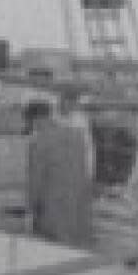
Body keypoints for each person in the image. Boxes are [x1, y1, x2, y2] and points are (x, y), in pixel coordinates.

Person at [25, 100, 93, 245]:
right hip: (79, 203)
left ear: (36, 120)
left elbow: (35, 181)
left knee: (54, 250)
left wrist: (30, 210)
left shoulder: (39, 142)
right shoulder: (77, 135)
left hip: (53, 206)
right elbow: (84, 168)